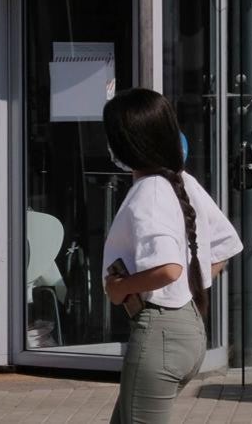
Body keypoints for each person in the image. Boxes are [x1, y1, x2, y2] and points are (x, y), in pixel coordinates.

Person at [101, 88, 244, 423]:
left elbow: (168, 268)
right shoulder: (179, 181)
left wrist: (121, 288)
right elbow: (225, 244)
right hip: (187, 326)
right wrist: (192, 287)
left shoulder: (149, 192)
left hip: (159, 331)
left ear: (128, 142)